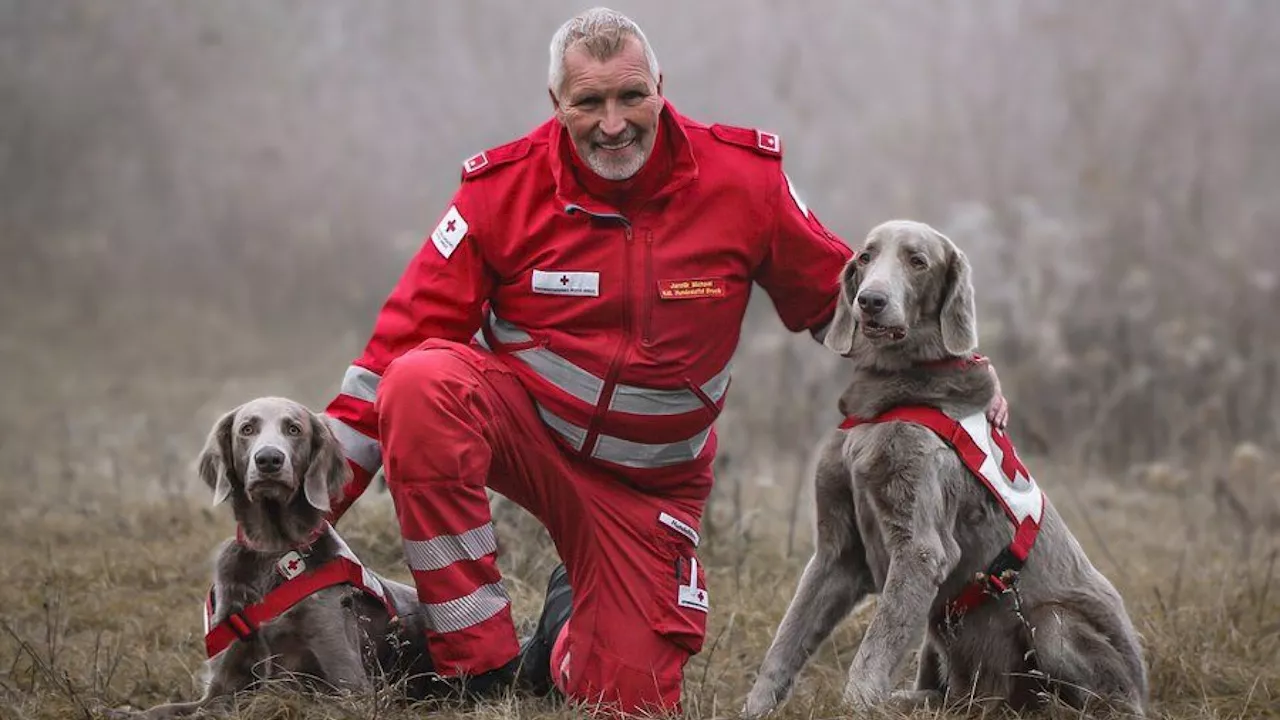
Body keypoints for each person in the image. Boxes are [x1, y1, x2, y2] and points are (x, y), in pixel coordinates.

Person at [318, 7, 1008, 716]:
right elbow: (385, 363)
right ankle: (476, 669)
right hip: (528, 443)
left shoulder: (745, 181)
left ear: (660, 87)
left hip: (648, 494)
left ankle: (565, 625)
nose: (613, 123)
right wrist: (290, 523)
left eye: (631, 96)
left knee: (629, 700)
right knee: (420, 380)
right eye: (589, 102)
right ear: (557, 105)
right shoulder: (499, 190)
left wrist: (963, 374)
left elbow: (849, 302)